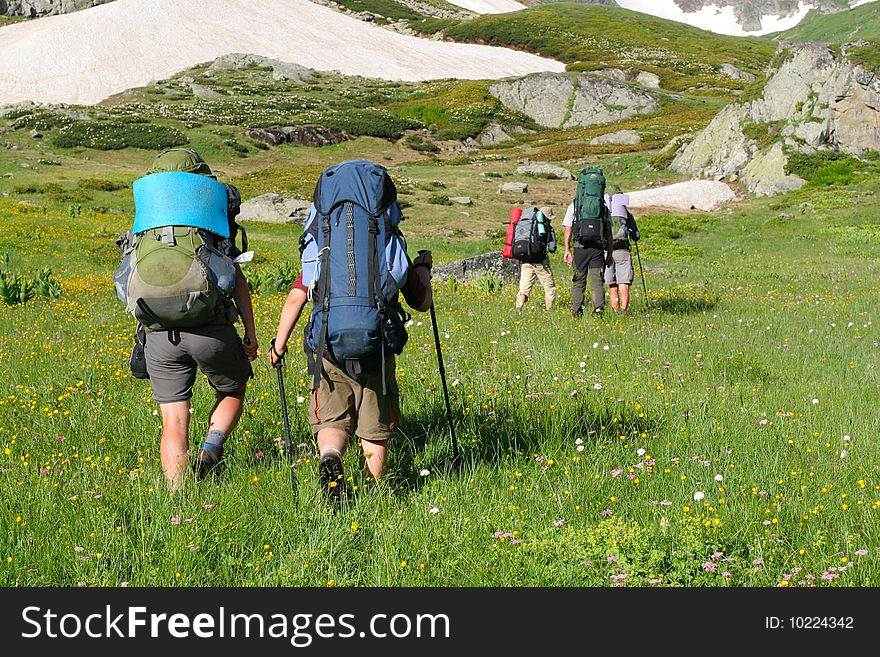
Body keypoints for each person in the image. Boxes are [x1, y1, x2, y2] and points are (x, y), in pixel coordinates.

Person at [115, 148, 258, 491]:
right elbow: (236, 279)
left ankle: (179, 501)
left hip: (159, 334)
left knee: (174, 420)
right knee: (233, 388)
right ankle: (211, 448)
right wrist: (250, 335)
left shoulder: (146, 224)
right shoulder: (208, 220)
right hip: (211, 328)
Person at [294, 160, 433, 505]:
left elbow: (303, 287)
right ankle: (370, 493)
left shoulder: (322, 234)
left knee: (332, 413)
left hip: (328, 338)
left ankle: (331, 456)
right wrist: (424, 270)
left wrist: (277, 344)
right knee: (374, 422)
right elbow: (420, 301)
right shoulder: (386, 235)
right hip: (376, 341)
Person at [562, 194, 613, 318]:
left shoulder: (574, 206)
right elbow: (609, 232)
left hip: (580, 248)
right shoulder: (603, 206)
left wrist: (567, 250)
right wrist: (610, 254)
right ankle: (598, 311)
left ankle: (576, 312)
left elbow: (568, 231)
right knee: (597, 281)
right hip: (597, 248)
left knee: (579, 281)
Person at [604, 184, 640, 313]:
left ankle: (615, 311)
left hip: (606, 251)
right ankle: (624, 312)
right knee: (623, 283)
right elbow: (636, 235)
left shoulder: (603, 212)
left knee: (612, 284)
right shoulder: (626, 213)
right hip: (623, 250)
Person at [515, 206, 557, 311]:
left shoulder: (527, 225)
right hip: (540, 262)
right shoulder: (548, 228)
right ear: (548, 218)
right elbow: (552, 248)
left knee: (524, 289)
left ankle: (518, 308)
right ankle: (549, 311)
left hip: (525, 260)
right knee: (549, 288)